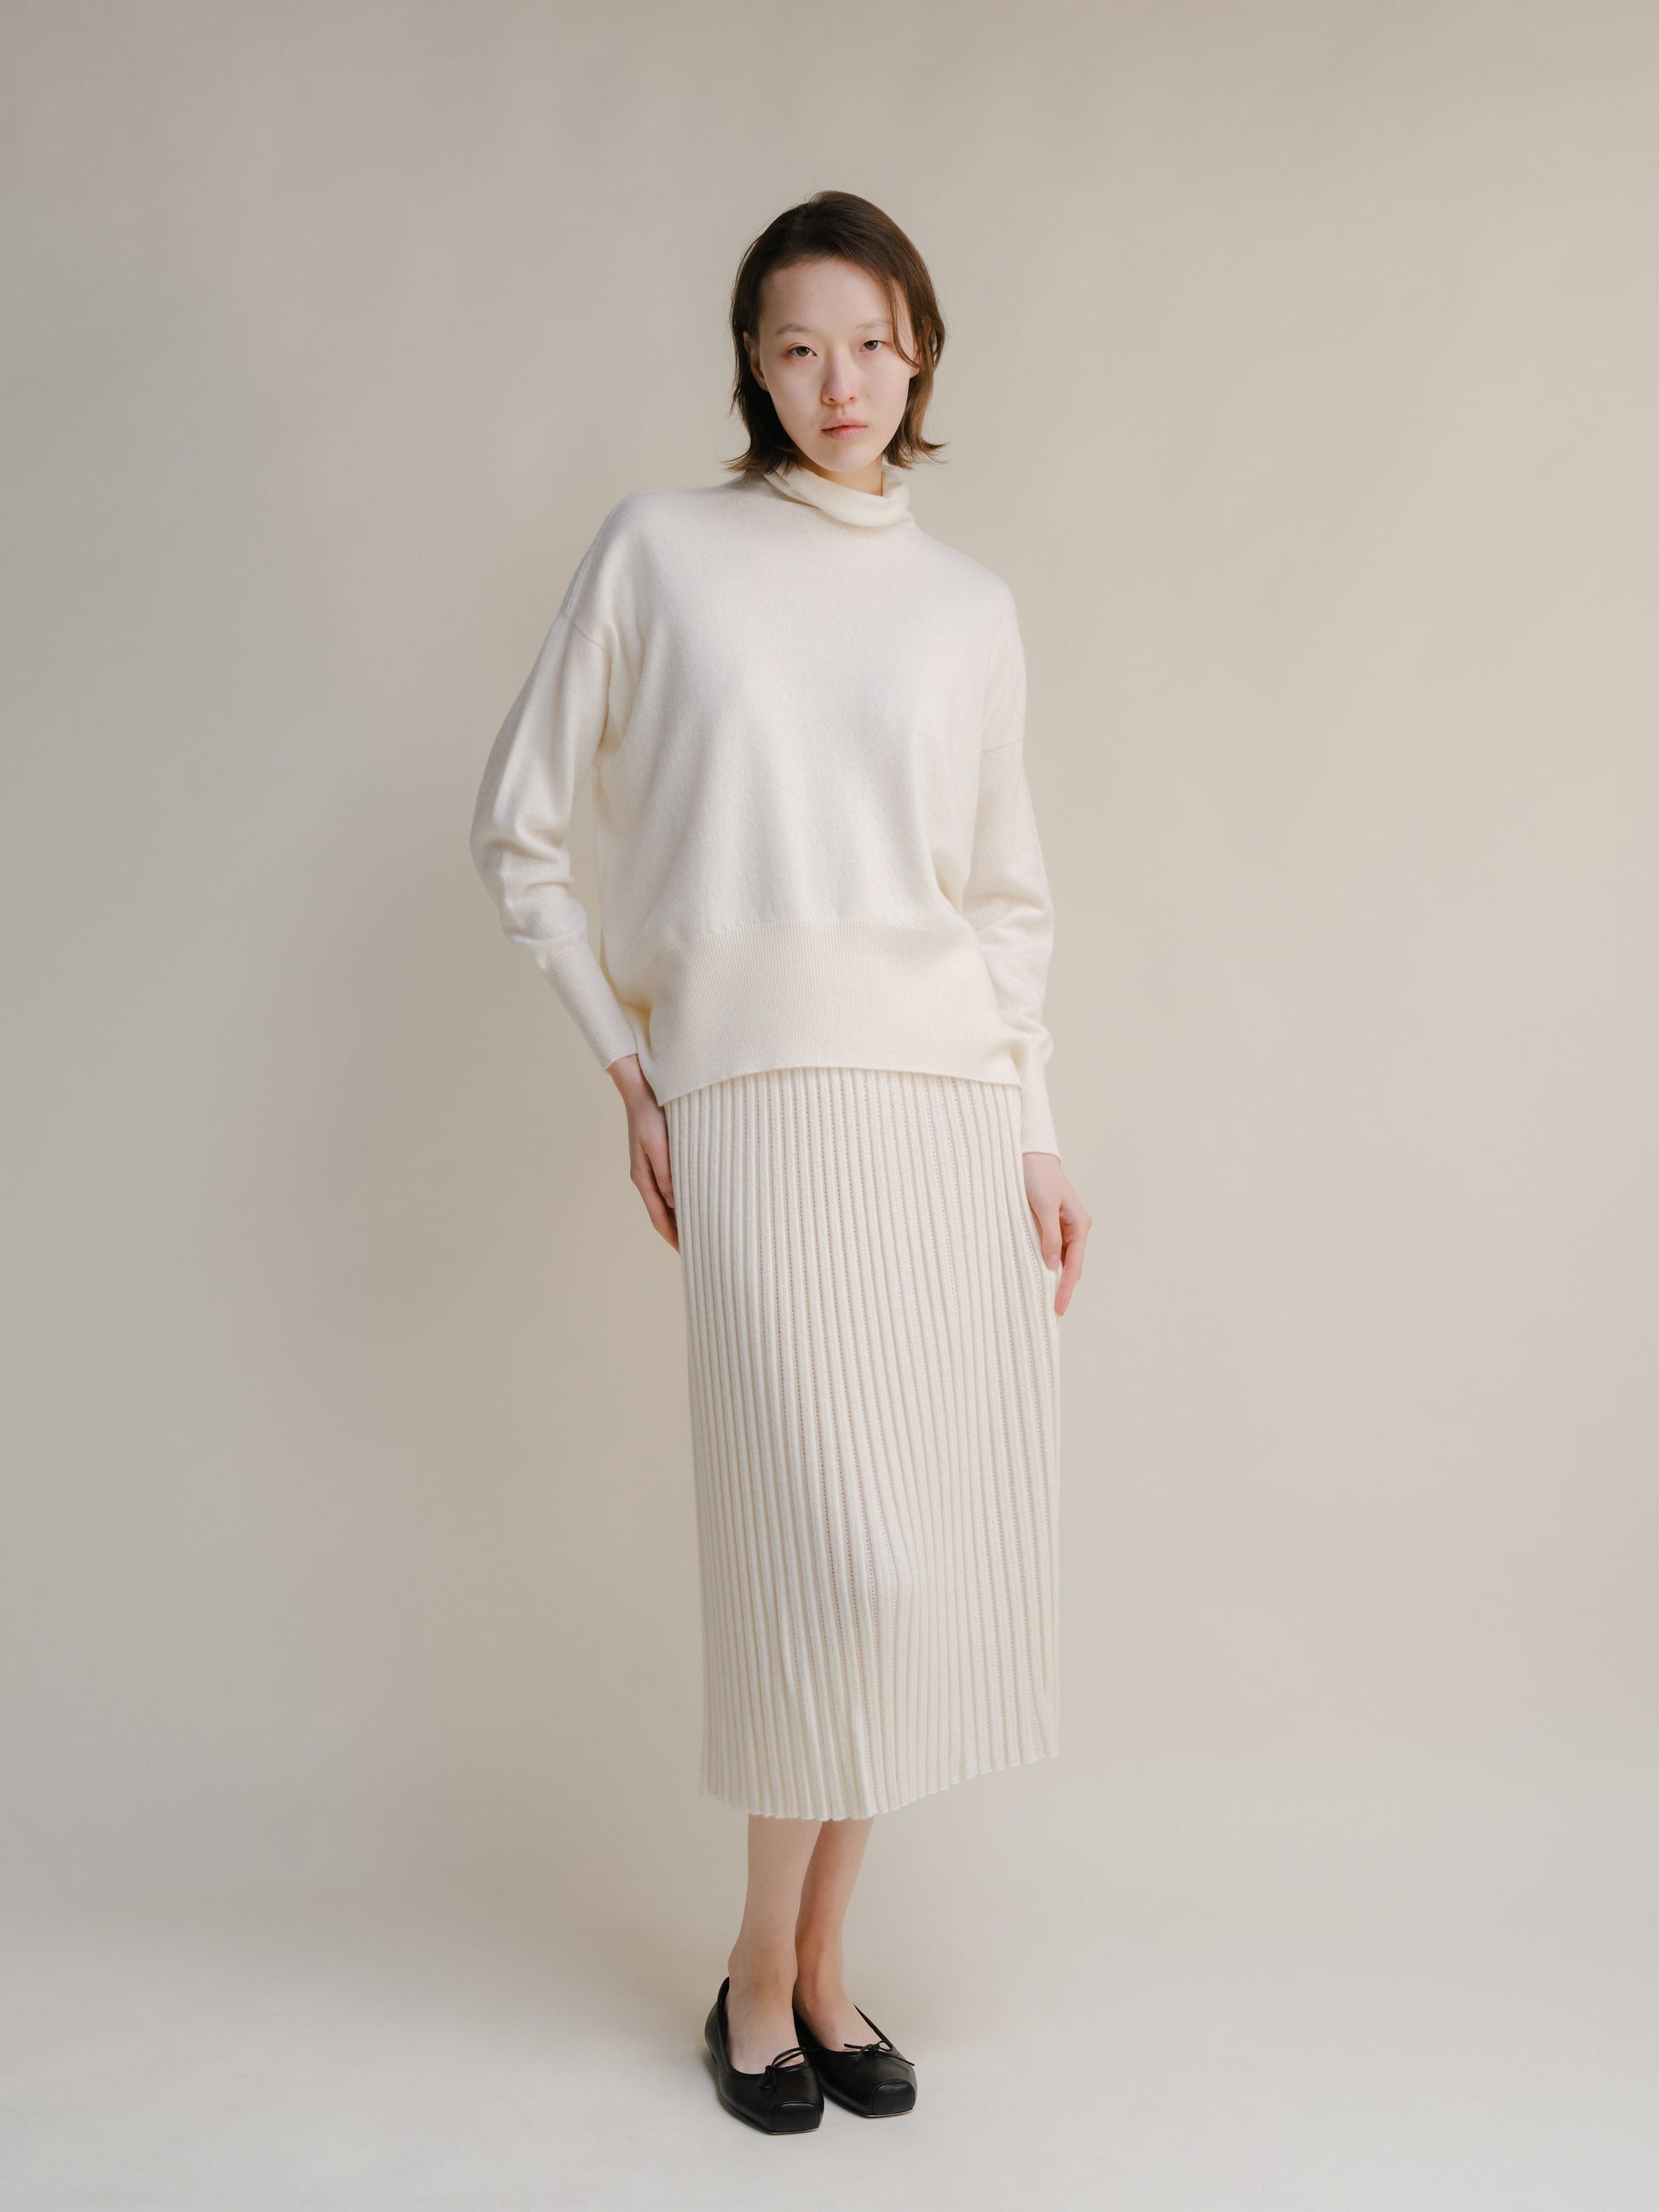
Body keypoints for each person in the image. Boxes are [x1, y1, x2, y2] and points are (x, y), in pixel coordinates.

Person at [470, 188, 1091, 2134]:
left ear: (921, 357)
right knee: (828, 1553)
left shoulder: (966, 607)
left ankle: (824, 1964)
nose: (841, 379)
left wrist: (1037, 1129)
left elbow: (1001, 901)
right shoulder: (662, 551)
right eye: (801, 343)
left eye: (874, 343)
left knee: (912, 1574)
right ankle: (753, 1970)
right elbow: (518, 828)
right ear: (751, 358)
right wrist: (628, 1066)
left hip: (945, 1109)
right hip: (753, 1098)